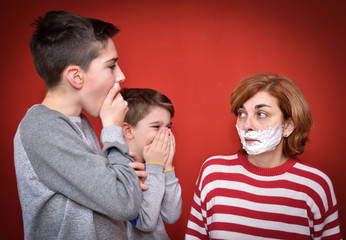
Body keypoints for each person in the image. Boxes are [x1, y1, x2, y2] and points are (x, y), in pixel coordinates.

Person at [14, 11, 148, 240]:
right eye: (111, 66)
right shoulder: (42, 128)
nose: (121, 76)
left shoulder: (78, 123)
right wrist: (114, 130)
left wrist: (125, 174)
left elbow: (114, 195)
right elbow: (124, 203)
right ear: (76, 77)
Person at [185, 73, 341, 239]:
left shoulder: (315, 185)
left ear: (288, 126)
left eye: (261, 114)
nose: (247, 125)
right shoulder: (213, 174)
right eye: (242, 113)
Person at [121, 88, 182, 240]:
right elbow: (146, 223)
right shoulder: (118, 170)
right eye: (156, 127)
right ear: (128, 130)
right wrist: (155, 166)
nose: (166, 134)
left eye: (168, 127)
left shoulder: (153, 166)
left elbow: (171, 215)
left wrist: (167, 167)